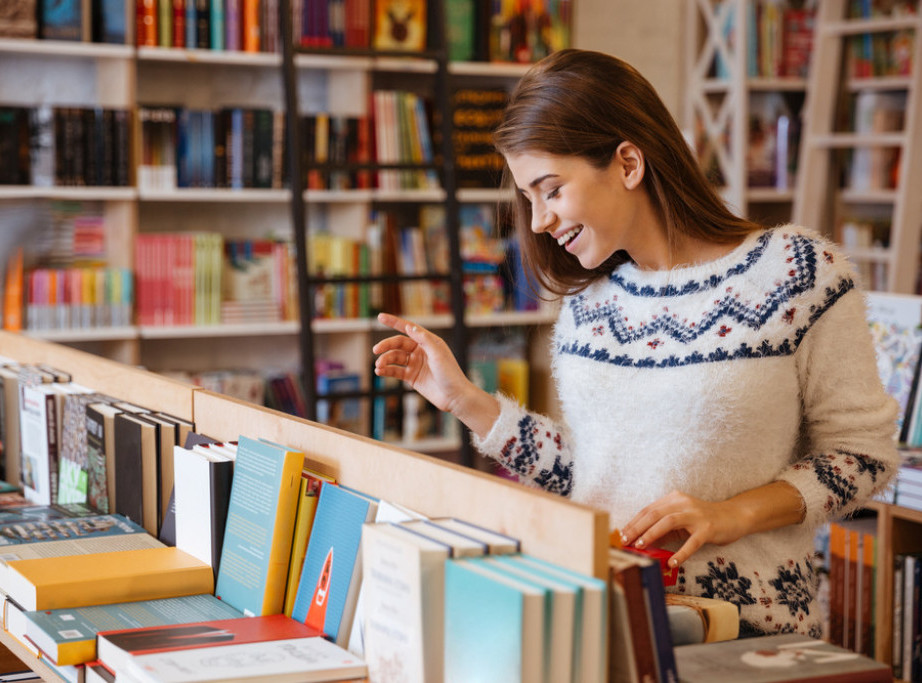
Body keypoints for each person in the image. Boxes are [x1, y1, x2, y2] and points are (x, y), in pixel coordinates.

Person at [372, 48, 899, 638]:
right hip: (609, 618)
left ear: (627, 163)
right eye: (528, 198)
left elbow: (864, 454)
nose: (539, 220)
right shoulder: (588, 306)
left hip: (747, 632)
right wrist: (463, 400)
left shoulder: (798, 272)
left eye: (551, 190)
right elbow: (589, 475)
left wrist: (732, 515)